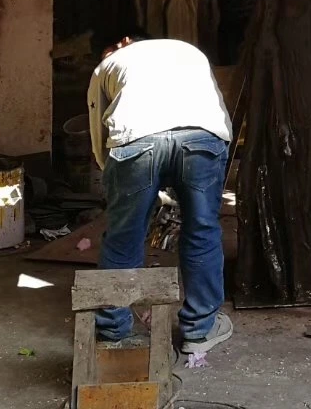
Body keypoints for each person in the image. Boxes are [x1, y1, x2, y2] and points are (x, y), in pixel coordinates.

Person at [87, 32, 234, 353]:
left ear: (124, 41)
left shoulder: (106, 66)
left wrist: (118, 186)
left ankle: (113, 332)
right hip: (203, 134)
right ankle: (200, 330)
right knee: (202, 230)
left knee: (123, 237)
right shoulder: (188, 51)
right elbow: (217, 110)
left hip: (135, 138)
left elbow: (100, 137)